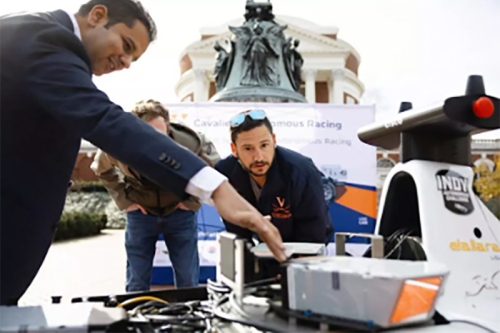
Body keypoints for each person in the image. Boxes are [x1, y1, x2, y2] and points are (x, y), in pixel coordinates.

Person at [0, 0, 286, 305]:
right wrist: (214, 186)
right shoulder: (42, 37)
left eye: (132, 59)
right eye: (126, 45)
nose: (124, 63)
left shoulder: (45, 43)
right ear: (98, 15)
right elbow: (104, 120)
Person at [91, 100, 220, 291]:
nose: (155, 142)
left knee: (187, 280)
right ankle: (135, 317)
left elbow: (214, 168)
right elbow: (101, 169)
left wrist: (192, 200)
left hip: (180, 213)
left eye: (159, 135)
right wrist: (125, 201)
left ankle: (188, 318)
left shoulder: (192, 142)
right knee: (137, 280)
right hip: (141, 214)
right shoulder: (118, 143)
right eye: (147, 135)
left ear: (168, 127)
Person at [215, 109, 334, 244]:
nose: (258, 157)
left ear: (274, 140)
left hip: (303, 247)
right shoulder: (224, 173)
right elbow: (236, 232)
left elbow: (314, 232)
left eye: (264, 145)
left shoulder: (302, 171)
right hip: (253, 249)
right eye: (248, 148)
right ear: (234, 149)